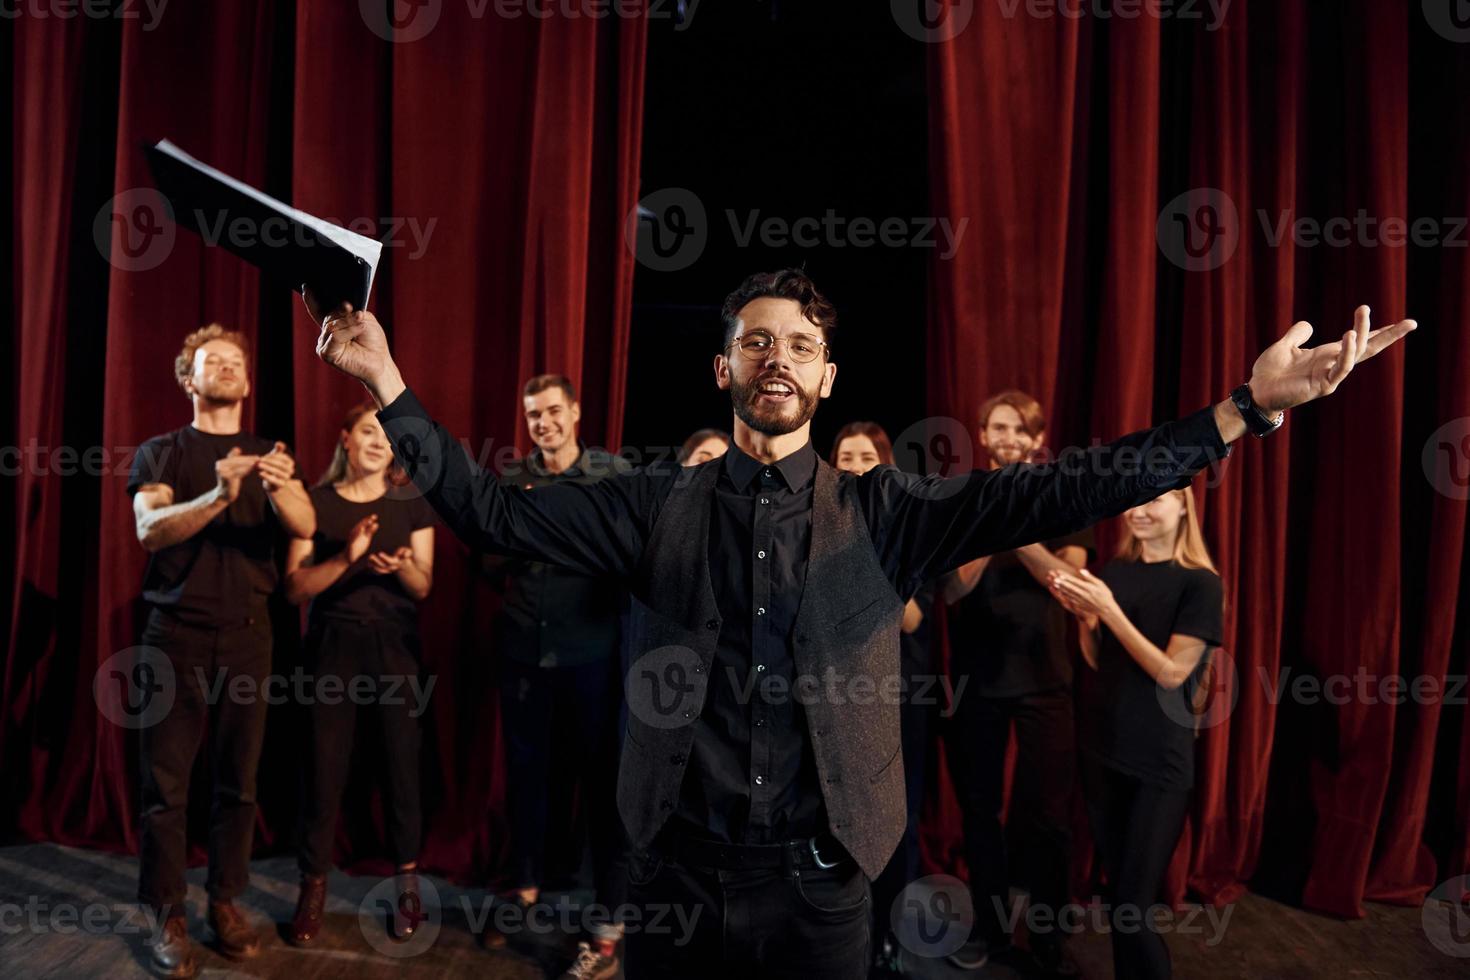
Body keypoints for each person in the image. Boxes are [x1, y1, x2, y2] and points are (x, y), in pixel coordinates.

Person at [304, 273, 1412, 978]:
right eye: (755, 340)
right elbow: (489, 508)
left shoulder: (890, 512)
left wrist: (1244, 409)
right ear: (724, 366)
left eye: (798, 343)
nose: (775, 355)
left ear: (828, 377)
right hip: (678, 878)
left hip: (827, 881)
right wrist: (390, 379)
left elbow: (1067, 486)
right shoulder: (652, 503)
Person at [127, 324, 315, 978]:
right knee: (166, 789)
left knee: (239, 784)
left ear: (249, 380)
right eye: (214, 362)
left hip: (248, 636)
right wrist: (220, 494)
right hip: (173, 636)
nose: (229, 368)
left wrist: (282, 486)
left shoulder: (271, 453)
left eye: (238, 361)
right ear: (189, 378)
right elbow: (150, 530)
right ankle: (167, 912)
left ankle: (226, 903)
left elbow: (307, 526)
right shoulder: (160, 452)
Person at [477, 374, 630, 980]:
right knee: (527, 781)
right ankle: (525, 892)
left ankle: (606, 920)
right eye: (533, 414)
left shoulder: (611, 476)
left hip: (591, 655)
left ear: (575, 411)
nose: (543, 423)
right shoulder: (513, 479)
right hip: (522, 654)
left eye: (552, 411)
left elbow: (625, 557)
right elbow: (490, 561)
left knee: (600, 790)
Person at [940, 391, 1092, 976]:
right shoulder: (963, 501)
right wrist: (987, 517)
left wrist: (1011, 525)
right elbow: (952, 590)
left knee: (1049, 814)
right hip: (976, 685)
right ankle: (990, 926)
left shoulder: (1063, 497)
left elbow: (1068, 584)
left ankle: (1050, 933)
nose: (1005, 438)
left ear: (1036, 437)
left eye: (1017, 430)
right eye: (995, 427)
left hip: (1046, 683)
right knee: (980, 812)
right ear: (982, 434)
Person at [1046, 485, 1222, 980]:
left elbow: (1171, 674)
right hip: (1103, 752)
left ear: (1183, 506)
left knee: (1132, 905)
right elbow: (1099, 660)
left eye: (1156, 501)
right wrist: (1086, 621)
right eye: (1136, 501)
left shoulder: (1200, 584)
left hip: (1157, 765)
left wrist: (1109, 610)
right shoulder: (1117, 572)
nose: (1139, 511)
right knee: (1119, 903)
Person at [281, 403, 436, 947]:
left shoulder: (409, 501)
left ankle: (407, 889)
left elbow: (423, 587)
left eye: (386, 436)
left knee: (401, 768)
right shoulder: (315, 504)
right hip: (332, 650)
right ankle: (312, 889)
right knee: (323, 772)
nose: (379, 442)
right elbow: (295, 588)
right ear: (346, 439)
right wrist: (349, 557)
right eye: (369, 432)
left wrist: (402, 568)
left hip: (394, 649)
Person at [829, 421, 939, 976]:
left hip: (897, 696)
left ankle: (890, 940)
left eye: (864, 455)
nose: (852, 464)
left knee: (898, 816)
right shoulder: (813, 523)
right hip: (832, 697)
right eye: (843, 455)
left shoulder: (907, 523)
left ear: (885, 464)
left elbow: (913, 618)